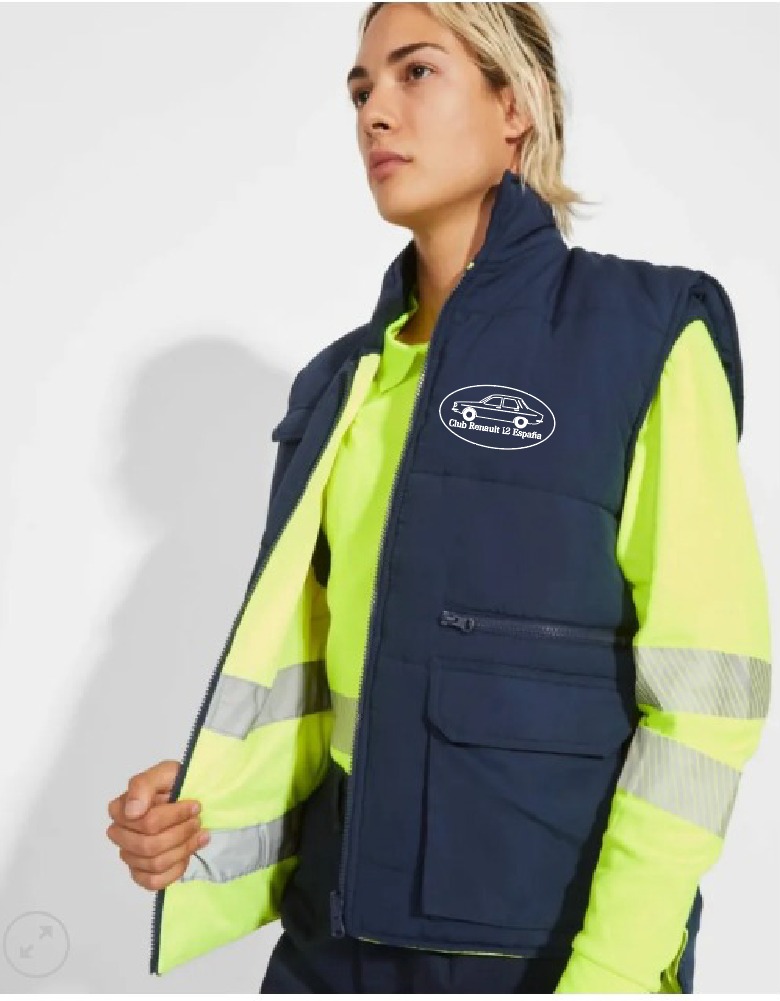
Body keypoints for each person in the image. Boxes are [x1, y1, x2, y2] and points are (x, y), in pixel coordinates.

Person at [105, 3, 771, 993]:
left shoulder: (643, 335)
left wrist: (611, 974)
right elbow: (326, 693)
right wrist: (201, 810)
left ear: (516, 105)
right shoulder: (342, 382)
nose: (375, 112)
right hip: (331, 941)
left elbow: (707, 700)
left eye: (416, 72)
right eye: (360, 90)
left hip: (535, 955)